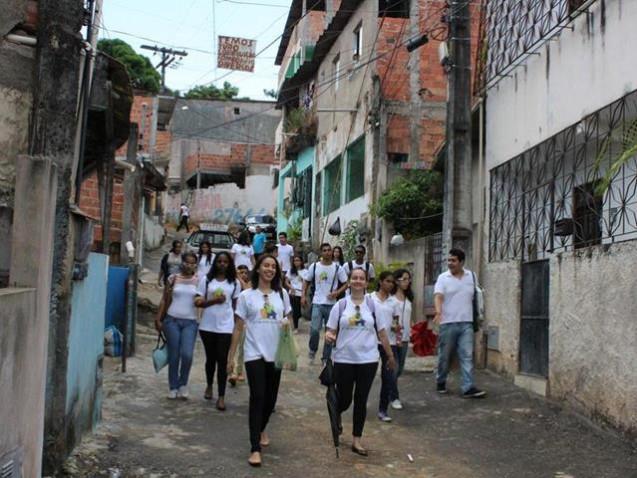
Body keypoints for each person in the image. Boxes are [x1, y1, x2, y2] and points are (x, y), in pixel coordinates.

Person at [227, 254, 292, 467]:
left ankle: (262, 427)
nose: (270, 269)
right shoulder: (247, 296)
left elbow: (289, 319)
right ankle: (254, 448)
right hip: (254, 353)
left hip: (277, 354)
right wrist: (231, 357)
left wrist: (286, 324)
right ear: (258, 268)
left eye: (273, 266)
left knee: (271, 400)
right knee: (258, 396)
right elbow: (238, 327)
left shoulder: (282, 294)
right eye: (266, 265)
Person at [325, 268, 396, 456]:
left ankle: (357, 439)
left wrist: (390, 356)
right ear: (349, 282)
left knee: (361, 399)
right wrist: (329, 336)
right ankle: (337, 414)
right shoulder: (340, 306)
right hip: (344, 359)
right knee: (346, 398)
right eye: (354, 278)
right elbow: (330, 329)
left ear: (366, 283)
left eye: (361, 278)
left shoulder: (374, 306)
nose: (357, 281)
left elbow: (382, 333)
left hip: (368, 359)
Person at [434, 248, 486, 398]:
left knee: (467, 355)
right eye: (449, 260)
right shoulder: (443, 278)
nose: (450, 263)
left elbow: (476, 297)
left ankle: (468, 387)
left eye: (453, 260)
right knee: (445, 356)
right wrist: (438, 312)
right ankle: (441, 380)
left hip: (466, 323)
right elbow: (438, 296)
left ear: (462, 262)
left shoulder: (472, 276)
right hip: (448, 323)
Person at [195, 252, 241, 411]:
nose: (222, 264)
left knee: (222, 360)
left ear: (229, 264)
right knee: (211, 359)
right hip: (207, 326)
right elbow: (198, 301)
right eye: (219, 261)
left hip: (226, 326)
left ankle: (221, 396)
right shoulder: (206, 280)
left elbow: (236, 305)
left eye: (225, 262)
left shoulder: (234, 283)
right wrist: (214, 301)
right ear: (215, 263)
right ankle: (209, 385)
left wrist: (237, 324)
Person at [154, 252, 199, 399]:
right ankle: (173, 387)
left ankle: (183, 383)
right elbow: (164, 299)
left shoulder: (199, 280)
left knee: (187, 354)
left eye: (193, 263)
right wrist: (159, 318)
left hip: (190, 322)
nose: (189, 265)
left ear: (196, 265)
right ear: (182, 263)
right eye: (187, 262)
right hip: (172, 320)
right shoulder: (173, 279)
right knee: (174, 355)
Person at [302, 243, 348, 363]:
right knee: (314, 330)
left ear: (332, 252)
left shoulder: (338, 268)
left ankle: (326, 357)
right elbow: (306, 281)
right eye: (325, 250)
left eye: (329, 250)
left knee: (330, 333)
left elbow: (346, 283)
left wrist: (337, 293)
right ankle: (312, 350)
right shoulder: (315, 266)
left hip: (332, 304)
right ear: (321, 252)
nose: (327, 252)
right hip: (317, 302)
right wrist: (303, 296)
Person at [369, 271, 402, 422]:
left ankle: (383, 410)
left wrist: (398, 332)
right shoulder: (370, 299)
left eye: (392, 282)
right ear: (381, 282)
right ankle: (361, 402)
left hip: (390, 343)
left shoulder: (394, 302)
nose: (391, 284)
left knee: (388, 377)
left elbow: (396, 321)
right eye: (388, 281)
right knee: (368, 375)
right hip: (371, 342)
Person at [393, 268, 414, 404]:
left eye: (408, 279)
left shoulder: (409, 299)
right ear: (397, 281)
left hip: (405, 338)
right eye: (404, 279)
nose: (407, 282)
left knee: (400, 369)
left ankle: (389, 388)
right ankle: (394, 397)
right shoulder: (391, 299)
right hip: (393, 339)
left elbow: (409, 317)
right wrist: (397, 336)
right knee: (394, 369)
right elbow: (393, 318)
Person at [228, 265, 250, 386]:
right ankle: (232, 371)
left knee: (242, 347)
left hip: (244, 321)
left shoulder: (250, 286)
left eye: (245, 273)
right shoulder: (232, 285)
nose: (243, 275)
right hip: (231, 320)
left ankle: (239, 370)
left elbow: (246, 287)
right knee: (232, 346)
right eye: (241, 272)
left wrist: (238, 277)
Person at [285, 254, 306, 333]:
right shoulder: (290, 271)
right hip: (293, 293)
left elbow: (306, 283)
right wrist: (291, 287)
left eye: (298, 260)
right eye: (295, 261)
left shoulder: (305, 271)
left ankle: (298, 317)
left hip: (301, 293)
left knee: (299, 311)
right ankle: (296, 327)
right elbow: (286, 282)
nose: (296, 262)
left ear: (301, 262)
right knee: (295, 310)